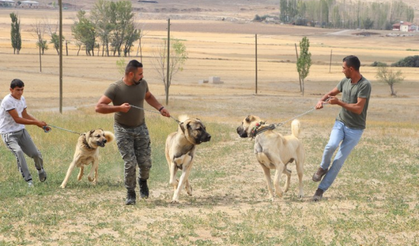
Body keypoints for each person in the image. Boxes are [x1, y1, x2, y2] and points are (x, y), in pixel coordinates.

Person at [95, 59, 170, 205]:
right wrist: (119, 108)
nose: (142, 76)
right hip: (122, 129)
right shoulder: (115, 88)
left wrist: (160, 108)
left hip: (141, 127)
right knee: (130, 162)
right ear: (130, 74)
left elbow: (148, 96)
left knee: (145, 163)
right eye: (140, 74)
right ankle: (130, 193)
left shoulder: (143, 84)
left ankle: (143, 182)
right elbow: (99, 107)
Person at [311, 55, 371, 201]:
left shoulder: (365, 85)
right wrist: (321, 101)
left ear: (351, 69)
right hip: (341, 123)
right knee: (330, 146)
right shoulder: (345, 81)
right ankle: (323, 168)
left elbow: (358, 108)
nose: (342, 70)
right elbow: (331, 93)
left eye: (344, 68)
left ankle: (320, 190)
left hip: (355, 130)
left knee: (338, 161)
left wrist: (339, 103)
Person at [0, 79, 48, 187]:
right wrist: (36, 122)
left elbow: (24, 115)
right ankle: (28, 180)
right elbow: (17, 119)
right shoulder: (7, 101)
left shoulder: (22, 99)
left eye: (22, 90)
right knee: (19, 152)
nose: (20, 92)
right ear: (11, 90)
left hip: (21, 132)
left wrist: (40, 124)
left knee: (35, 154)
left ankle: (40, 170)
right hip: (9, 134)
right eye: (17, 90)